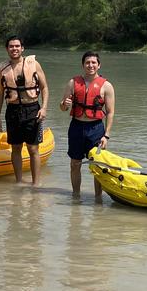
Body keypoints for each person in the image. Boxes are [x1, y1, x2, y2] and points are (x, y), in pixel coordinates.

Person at [59, 51, 115, 198]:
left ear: (99, 65)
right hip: (76, 127)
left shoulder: (107, 86)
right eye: (87, 63)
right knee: (75, 164)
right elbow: (63, 108)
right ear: (83, 65)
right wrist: (65, 104)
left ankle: (98, 198)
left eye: (93, 63)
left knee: (97, 165)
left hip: (96, 128)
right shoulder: (73, 83)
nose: (90, 65)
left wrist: (106, 136)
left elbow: (110, 112)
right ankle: (76, 195)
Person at [0, 35, 49, 184]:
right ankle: (18, 182)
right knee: (16, 147)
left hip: (32, 109)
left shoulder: (34, 64)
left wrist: (43, 108)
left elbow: (44, 87)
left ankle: (35, 184)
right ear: (7, 49)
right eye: (11, 46)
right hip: (12, 110)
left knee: (33, 149)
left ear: (22, 48)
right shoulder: (2, 69)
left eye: (17, 46)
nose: (14, 49)